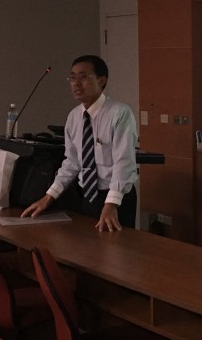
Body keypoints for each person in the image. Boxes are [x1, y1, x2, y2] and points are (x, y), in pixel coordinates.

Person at [22, 55, 138, 232]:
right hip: (88, 196)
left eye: (83, 77)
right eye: (72, 77)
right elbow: (72, 162)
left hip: (116, 197)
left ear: (101, 80)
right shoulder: (74, 117)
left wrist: (111, 204)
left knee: (116, 247)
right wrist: (49, 196)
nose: (76, 83)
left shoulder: (119, 113)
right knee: (87, 244)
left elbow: (124, 162)